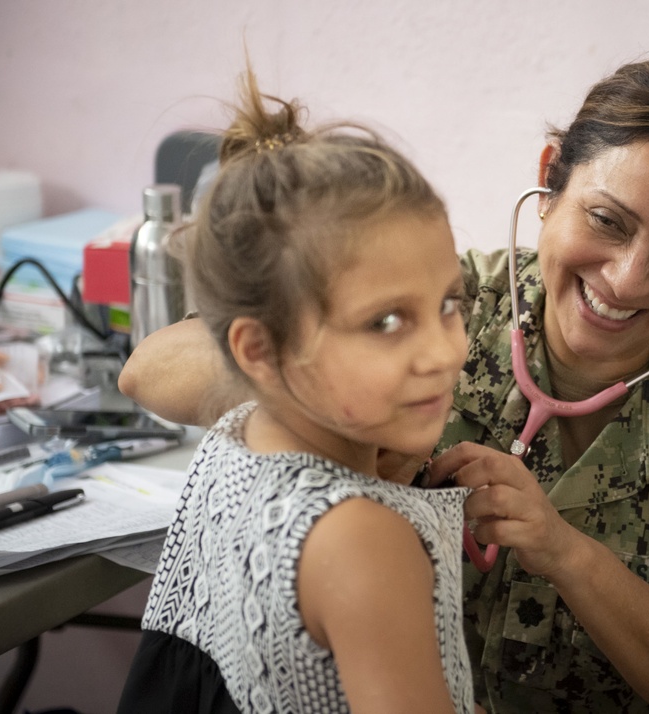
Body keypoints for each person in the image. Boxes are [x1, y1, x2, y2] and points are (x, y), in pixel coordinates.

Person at [120, 58, 649, 714]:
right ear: (552, 179)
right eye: (607, 221)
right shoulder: (449, 302)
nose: (624, 278)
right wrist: (342, 395)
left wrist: (567, 554)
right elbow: (152, 369)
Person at [116, 66, 477, 713]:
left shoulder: (229, 445)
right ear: (259, 350)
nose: (450, 350)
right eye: (386, 321)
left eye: (450, 303)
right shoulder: (367, 541)